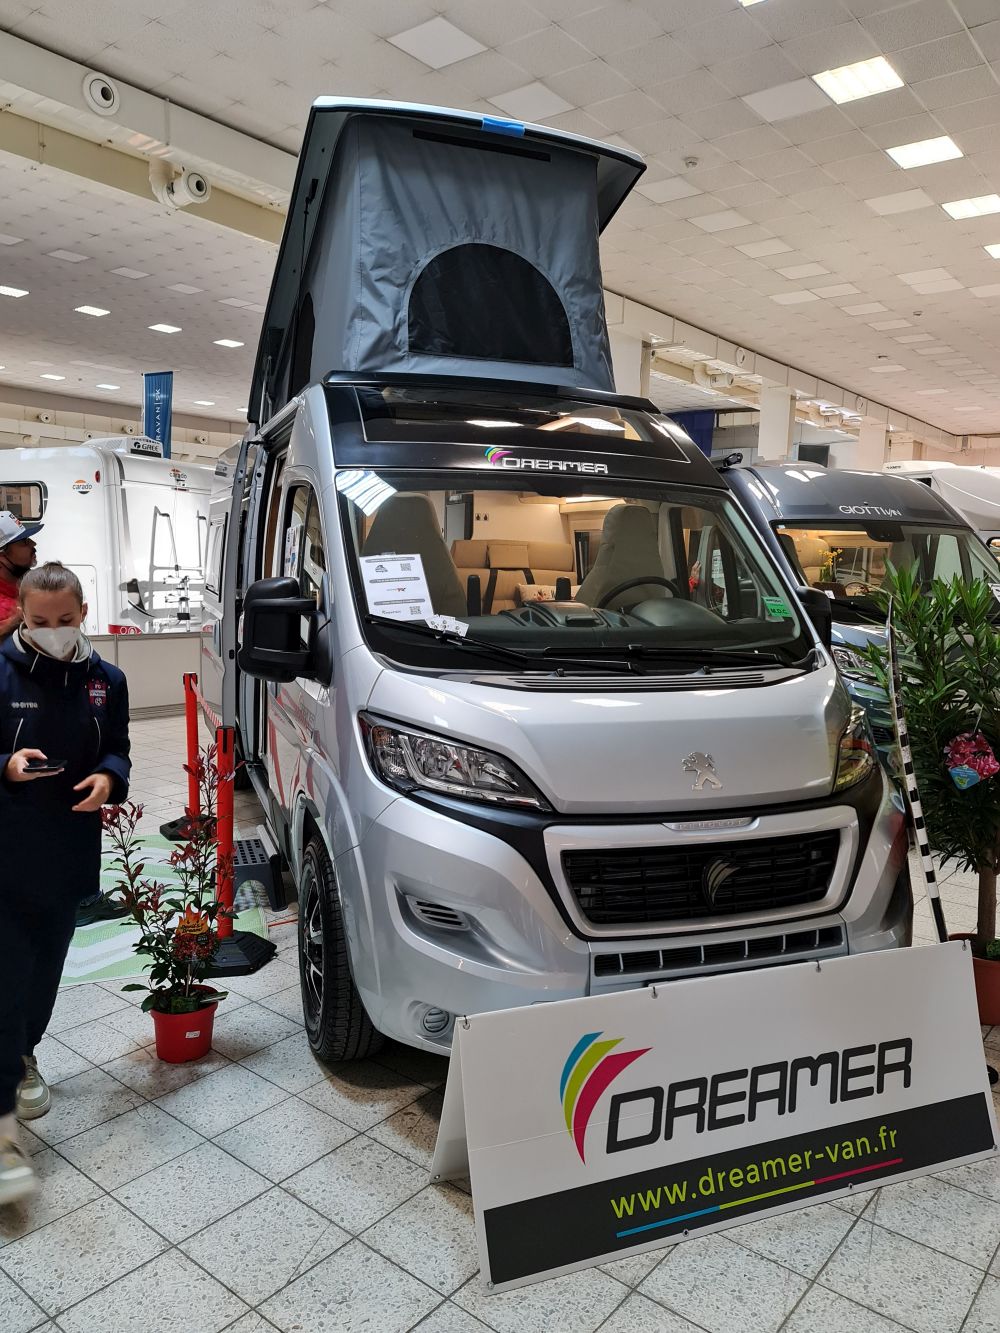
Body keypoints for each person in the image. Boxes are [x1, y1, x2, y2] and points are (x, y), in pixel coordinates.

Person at [0, 562, 131, 1204]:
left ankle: (26, 1052)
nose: (52, 631)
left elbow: (118, 748)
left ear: (83, 613)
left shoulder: (106, 681)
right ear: (22, 617)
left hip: (69, 847)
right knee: (11, 966)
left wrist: (108, 778)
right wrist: (6, 764)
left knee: (48, 961)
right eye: (39, 621)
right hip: (6, 845)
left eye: (64, 619)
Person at [0, 510, 42, 640]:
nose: (33, 544)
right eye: (24, 541)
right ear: (2, 554)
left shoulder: (22, 591)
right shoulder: (6, 612)